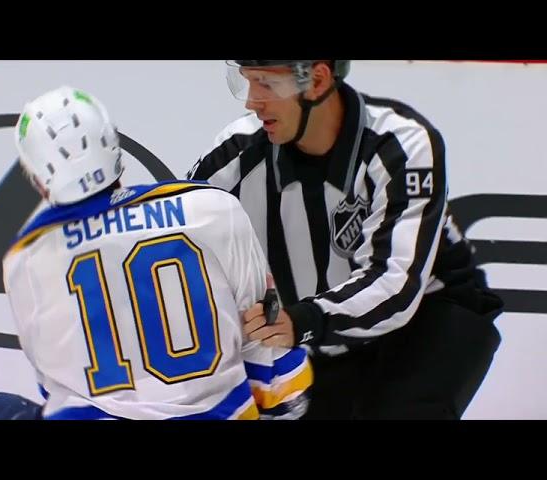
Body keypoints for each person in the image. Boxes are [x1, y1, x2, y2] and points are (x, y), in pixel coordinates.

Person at [0, 85, 311, 420]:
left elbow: (56, 389)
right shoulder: (212, 208)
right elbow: (270, 348)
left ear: (38, 179)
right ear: (116, 150)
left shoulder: (26, 258)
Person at [187, 60, 503, 419]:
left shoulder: (400, 143)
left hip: (426, 322)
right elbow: (174, 231)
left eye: (266, 85)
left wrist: (301, 322)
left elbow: (394, 283)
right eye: (246, 83)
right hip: (317, 334)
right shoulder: (237, 150)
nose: (252, 102)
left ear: (318, 81)